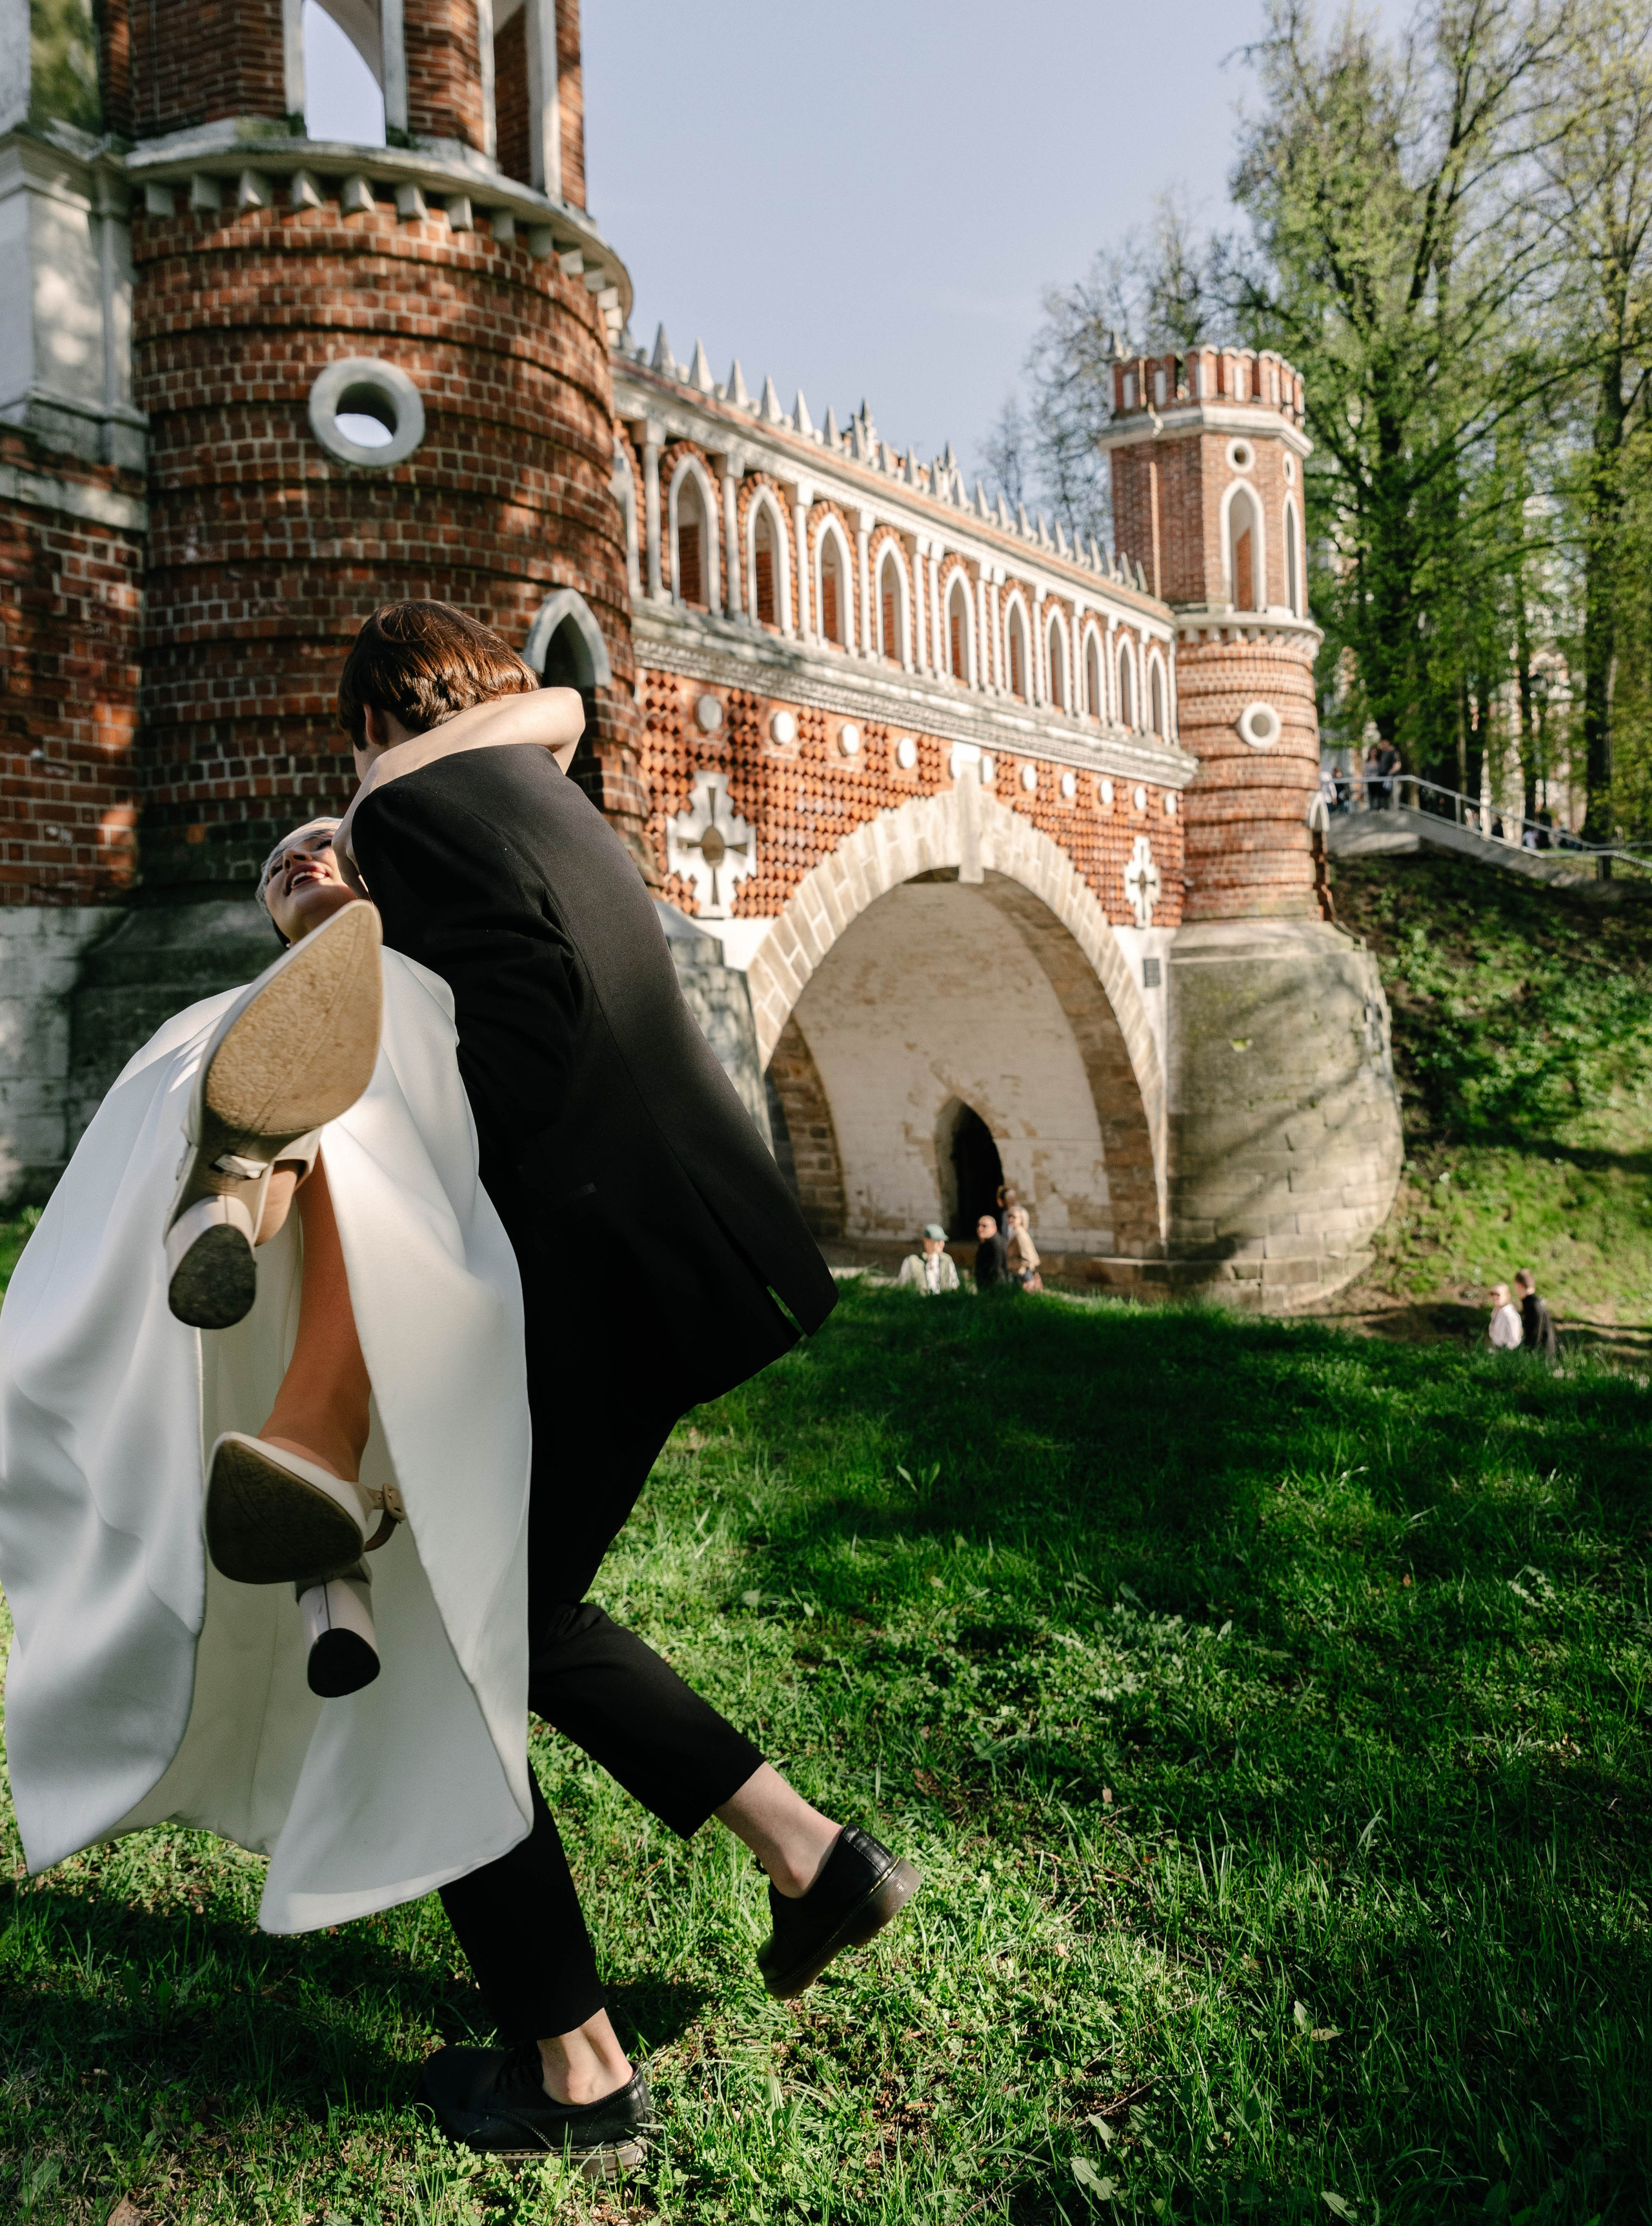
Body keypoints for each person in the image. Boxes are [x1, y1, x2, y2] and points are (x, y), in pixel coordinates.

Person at [327, 603, 920, 2167]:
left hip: (601, 1270)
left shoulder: (410, 806)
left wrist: (347, 1030)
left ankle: (573, 2066)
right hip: (688, 1257)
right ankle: (812, 1858)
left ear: (371, 720)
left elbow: (516, 1043)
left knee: (443, 1659)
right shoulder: (538, 789)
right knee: (530, 1618)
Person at [0, 796, 542, 1967]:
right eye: (281, 854)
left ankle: (242, 1188)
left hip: (380, 1262)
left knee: (358, 1024)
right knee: (291, 1042)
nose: (303, 851)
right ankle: (323, 1523)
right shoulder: (210, 1017)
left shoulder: (417, 986)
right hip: (223, 1319)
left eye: (337, 842)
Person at [897, 1224, 960, 1294]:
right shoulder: (911, 1261)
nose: (942, 1244)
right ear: (927, 1241)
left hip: (942, 1302)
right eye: (938, 1241)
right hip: (920, 1303)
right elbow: (903, 1287)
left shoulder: (946, 1260)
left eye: (943, 1241)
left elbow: (954, 1286)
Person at [1514, 1268, 1558, 1359]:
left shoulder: (1533, 1306)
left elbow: (1535, 1334)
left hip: (1541, 1355)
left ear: (1520, 1285)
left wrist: (1528, 1354)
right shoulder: (1531, 1303)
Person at [1005, 1205, 1042, 1293]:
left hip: (1023, 1276)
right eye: (1009, 1216)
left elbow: (1028, 1259)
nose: (1010, 1219)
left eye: (1014, 1217)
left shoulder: (1020, 1234)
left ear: (1022, 1219)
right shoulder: (1016, 1232)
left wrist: (1008, 1264)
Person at [974, 1211, 1008, 1290]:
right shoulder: (987, 1242)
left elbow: (996, 1269)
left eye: (984, 1226)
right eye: (978, 1225)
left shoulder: (995, 1244)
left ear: (994, 1228)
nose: (980, 1229)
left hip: (994, 1287)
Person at [1487, 1282, 1523, 1350]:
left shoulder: (1510, 1315)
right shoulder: (1496, 1311)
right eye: (1492, 1294)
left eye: (1498, 1295)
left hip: (1505, 1350)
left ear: (1507, 1296)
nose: (1495, 1297)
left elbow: (1515, 1340)